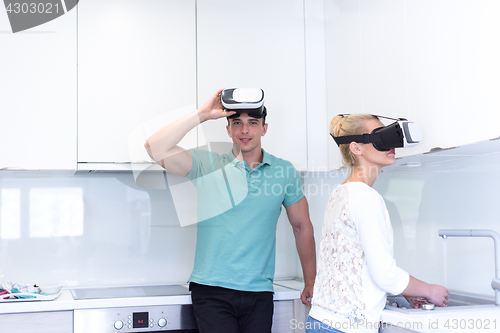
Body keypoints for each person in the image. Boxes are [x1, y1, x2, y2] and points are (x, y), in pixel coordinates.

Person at [144, 88, 316, 333]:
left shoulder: (284, 171)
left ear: (264, 129)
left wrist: (311, 281)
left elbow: (302, 226)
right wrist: (202, 114)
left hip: (259, 292)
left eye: (252, 123)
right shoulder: (207, 164)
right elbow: (154, 147)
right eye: (237, 123)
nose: (245, 130)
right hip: (211, 291)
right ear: (227, 129)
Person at [306, 114, 448, 333]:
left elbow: (354, 263)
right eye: (380, 137)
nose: (391, 145)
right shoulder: (367, 198)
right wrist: (430, 290)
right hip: (345, 327)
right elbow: (384, 273)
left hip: (321, 320)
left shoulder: (340, 192)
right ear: (356, 148)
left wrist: (405, 289)